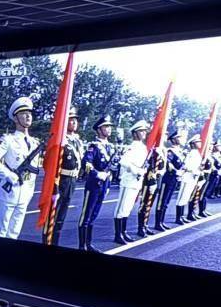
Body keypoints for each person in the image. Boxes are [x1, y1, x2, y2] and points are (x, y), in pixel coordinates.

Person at [0, 97, 41, 239]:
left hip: (25, 195)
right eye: (23, 113)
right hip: (8, 193)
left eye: (29, 112)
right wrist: (7, 174)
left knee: (14, 234)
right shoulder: (8, 139)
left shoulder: (35, 143)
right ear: (16, 119)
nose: (28, 115)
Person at [43, 107, 84, 246]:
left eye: (75, 120)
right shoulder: (60, 139)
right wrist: (54, 184)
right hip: (61, 180)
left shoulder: (77, 141)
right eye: (70, 120)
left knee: (61, 216)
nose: (74, 122)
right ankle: (47, 242)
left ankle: (55, 242)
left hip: (72, 181)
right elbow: (50, 162)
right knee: (52, 215)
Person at [78, 115, 115, 251]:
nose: (109, 129)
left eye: (109, 126)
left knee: (94, 215)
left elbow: (111, 167)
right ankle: (82, 246)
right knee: (86, 215)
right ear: (99, 130)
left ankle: (89, 244)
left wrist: (109, 182)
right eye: (106, 127)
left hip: (104, 184)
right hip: (94, 184)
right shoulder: (93, 146)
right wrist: (97, 173)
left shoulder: (110, 147)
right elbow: (86, 163)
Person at [112, 120, 149, 244]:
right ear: (135, 133)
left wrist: (142, 171)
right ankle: (118, 234)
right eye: (141, 131)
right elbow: (123, 161)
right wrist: (136, 170)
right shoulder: (132, 146)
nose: (144, 133)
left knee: (127, 209)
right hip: (128, 181)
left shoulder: (143, 147)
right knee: (121, 209)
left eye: (144, 131)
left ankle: (123, 232)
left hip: (136, 182)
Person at [154, 127, 185, 231]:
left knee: (167, 201)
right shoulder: (170, 151)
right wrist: (177, 171)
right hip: (167, 179)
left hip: (174, 180)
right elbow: (169, 164)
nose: (180, 139)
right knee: (162, 201)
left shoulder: (179, 151)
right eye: (178, 137)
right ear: (173, 139)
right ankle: (158, 223)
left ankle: (161, 222)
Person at [175, 133, 203, 224]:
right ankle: (178, 218)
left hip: (192, 179)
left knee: (186, 198)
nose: (200, 143)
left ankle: (182, 216)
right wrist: (194, 171)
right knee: (182, 198)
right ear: (193, 144)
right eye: (198, 142)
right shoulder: (191, 154)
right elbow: (186, 166)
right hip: (187, 178)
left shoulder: (196, 153)